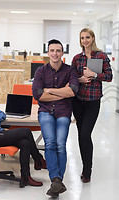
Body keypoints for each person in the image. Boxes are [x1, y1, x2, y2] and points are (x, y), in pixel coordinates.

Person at [0, 70, 47, 187]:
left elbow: (2, 114)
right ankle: (39, 160)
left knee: (25, 142)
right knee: (26, 131)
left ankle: (26, 177)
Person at [32, 39, 79, 198]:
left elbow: (73, 91)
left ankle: (56, 182)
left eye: (58, 51)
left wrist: (48, 91)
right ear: (48, 53)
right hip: (45, 112)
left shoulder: (70, 70)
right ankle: (56, 180)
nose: (55, 53)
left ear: (62, 53)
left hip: (63, 112)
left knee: (60, 145)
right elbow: (37, 94)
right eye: (52, 50)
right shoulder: (40, 71)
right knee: (50, 143)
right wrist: (61, 91)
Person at [71, 28, 113, 183]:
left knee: (85, 134)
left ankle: (87, 170)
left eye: (87, 37)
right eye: (82, 38)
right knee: (81, 134)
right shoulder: (76, 58)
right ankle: (85, 168)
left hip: (93, 101)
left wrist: (94, 75)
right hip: (78, 101)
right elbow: (71, 78)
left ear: (93, 38)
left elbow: (109, 76)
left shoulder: (100, 56)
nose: (85, 40)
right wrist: (79, 80)